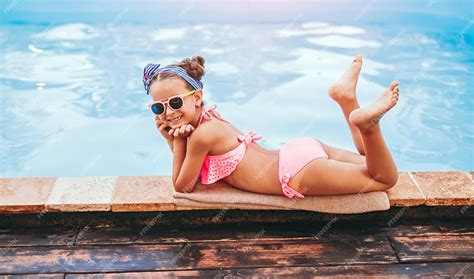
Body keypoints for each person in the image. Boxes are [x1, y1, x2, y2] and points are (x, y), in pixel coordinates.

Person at [143, 55, 399, 198]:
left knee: (384, 178)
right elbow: (190, 176)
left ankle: (368, 126)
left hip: (298, 173)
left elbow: (182, 186)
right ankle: (347, 100)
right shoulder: (212, 118)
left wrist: (175, 142)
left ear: (197, 97)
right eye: (159, 107)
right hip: (297, 152)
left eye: (175, 102)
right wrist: (175, 138)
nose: (169, 113)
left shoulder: (201, 136)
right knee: (373, 162)